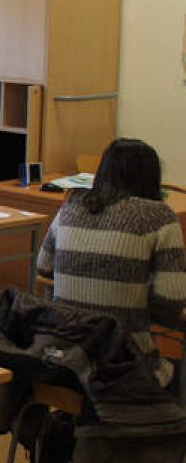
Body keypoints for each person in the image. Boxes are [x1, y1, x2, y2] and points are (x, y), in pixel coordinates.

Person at [37, 138, 186, 387]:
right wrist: (132, 290)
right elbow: (171, 301)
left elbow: (44, 266)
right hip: (122, 365)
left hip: (63, 359)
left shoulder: (71, 206)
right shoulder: (159, 217)